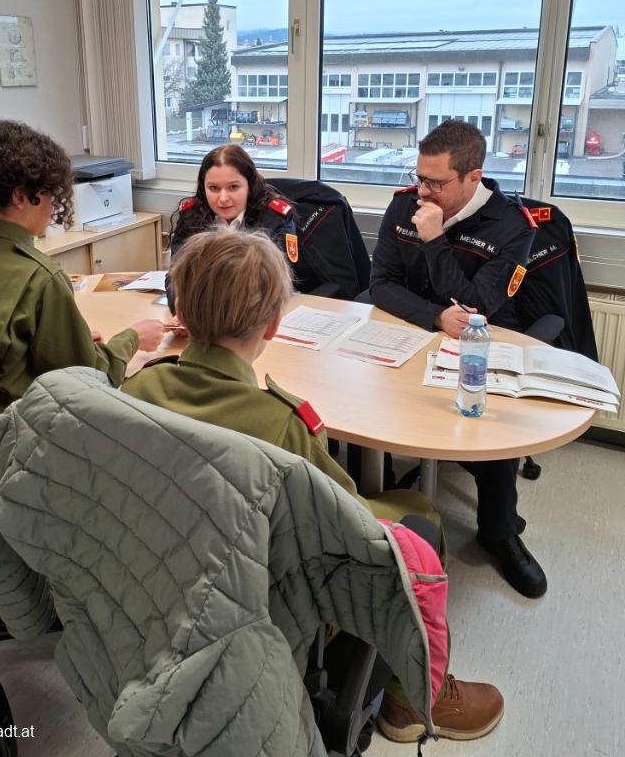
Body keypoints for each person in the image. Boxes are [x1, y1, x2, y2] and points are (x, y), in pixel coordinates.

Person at [123, 228, 505, 745]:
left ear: (180, 313)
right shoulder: (283, 422)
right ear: (274, 325)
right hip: (262, 594)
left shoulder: (137, 387)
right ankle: (411, 698)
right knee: (419, 516)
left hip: (162, 576)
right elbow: (351, 520)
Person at [369, 119, 545, 598]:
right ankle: (380, 502)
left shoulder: (512, 227)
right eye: (419, 177)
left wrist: (433, 241)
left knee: (491, 428)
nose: (422, 191)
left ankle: (499, 532)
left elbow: (477, 307)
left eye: (436, 182)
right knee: (365, 401)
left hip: (479, 344)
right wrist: (433, 316)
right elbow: (380, 284)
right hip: (412, 332)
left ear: (473, 177)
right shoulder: (404, 205)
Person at [0, 120, 165, 421]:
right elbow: (89, 381)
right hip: (15, 434)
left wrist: (73, 340)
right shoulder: (40, 279)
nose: (54, 205)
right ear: (20, 196)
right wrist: (132, 338)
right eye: (50, 193)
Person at [168, 144, 298, 261]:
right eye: (213, 188)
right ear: (203, 188)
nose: (223, 199)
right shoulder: (190, 215)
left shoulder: (275, 218)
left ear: (250, 185)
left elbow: (280, 274)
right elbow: (176, 272)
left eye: (233, 187)